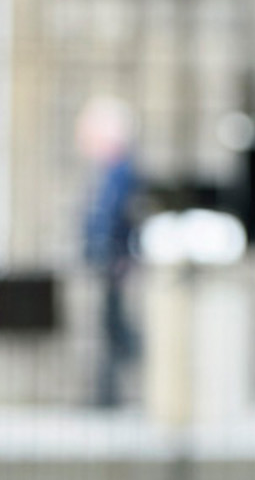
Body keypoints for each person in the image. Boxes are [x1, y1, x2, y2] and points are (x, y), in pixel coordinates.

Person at [77, 96, 142, 408]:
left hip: (113, 262)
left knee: (118, 332)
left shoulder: (120, 172)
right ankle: (106, 396)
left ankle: (109, 397)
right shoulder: (113, 171)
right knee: (112, 330)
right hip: (109, 261)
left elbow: (116, 216)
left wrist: (110, 253)